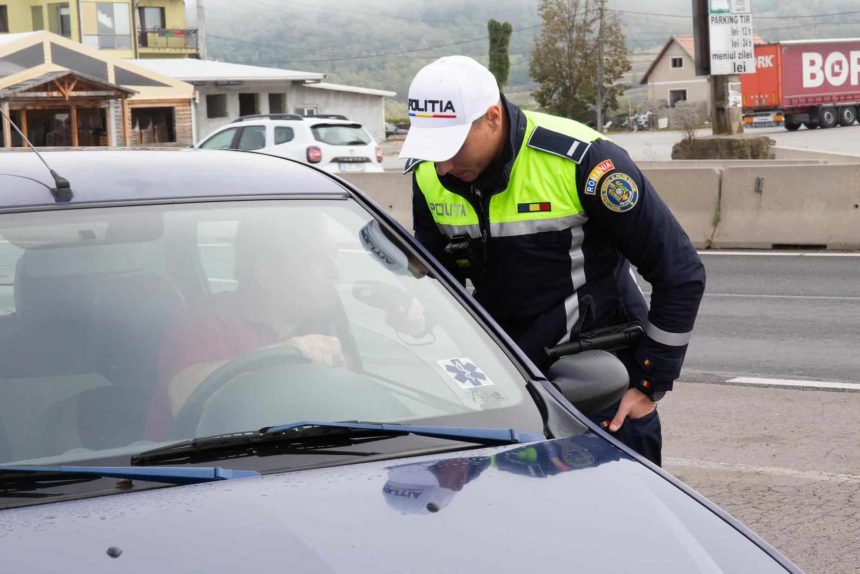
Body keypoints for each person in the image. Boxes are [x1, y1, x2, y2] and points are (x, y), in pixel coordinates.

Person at [399, 56, 705, 466]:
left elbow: (679, 273)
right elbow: (436, 280)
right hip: (504, 392)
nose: (443, 165)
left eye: (451, 147)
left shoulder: (585, 161)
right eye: (431, 149)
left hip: (597, 389)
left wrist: (650, 384)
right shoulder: (429, 176)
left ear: (492, 118)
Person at [144, 215, 350, 440]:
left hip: (305, 452)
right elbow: (184, 396)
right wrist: (281, 354)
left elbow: (354, 395)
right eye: (317, 258)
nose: (335, 271)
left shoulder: (322, 319)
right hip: (199, 461)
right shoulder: (206, 316)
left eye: (334, 255)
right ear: (267, 272)